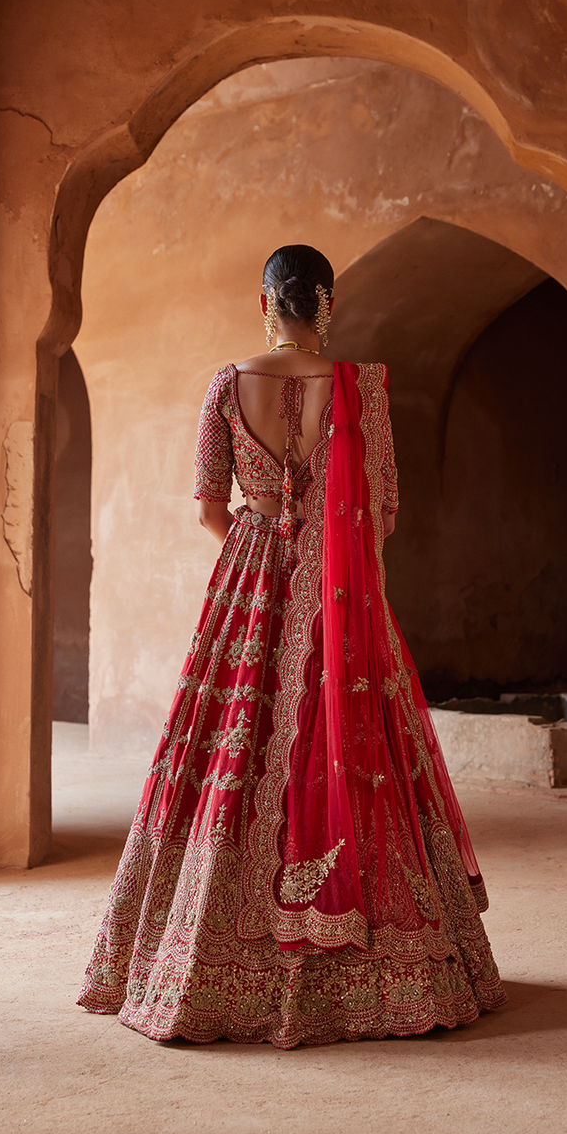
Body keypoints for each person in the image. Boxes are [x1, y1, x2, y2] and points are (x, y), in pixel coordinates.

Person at [77, 244, 507, 1048]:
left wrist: (262, 554)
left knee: (225, 757)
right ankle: (386, 973)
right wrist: (327, 557)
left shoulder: (224, 385)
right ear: (326, 305)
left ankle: (193, 963)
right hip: (340, 585)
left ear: (264, 302)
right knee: (346, 739)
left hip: (248, 577)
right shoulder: (359, 390)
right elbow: (380, 511)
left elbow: (210, 503)